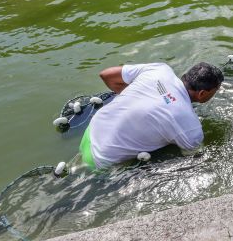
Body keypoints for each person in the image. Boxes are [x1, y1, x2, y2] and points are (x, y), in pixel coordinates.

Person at [79, 62, 224, 169]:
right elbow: (195, 161)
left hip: (91, 131)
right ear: (202, 93)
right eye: (214, 91)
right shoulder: (190, 128)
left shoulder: (160, 69)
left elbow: (106, 74)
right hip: (101, 160)